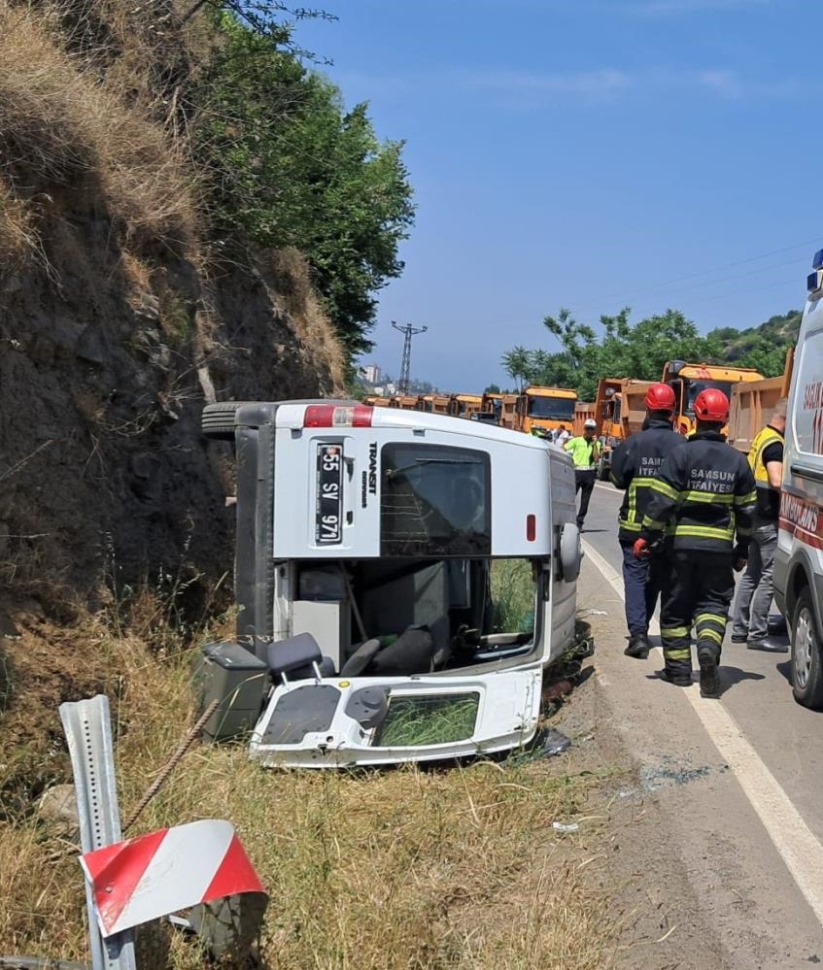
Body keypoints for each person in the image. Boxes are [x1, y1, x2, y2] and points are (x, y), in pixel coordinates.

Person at [635, 388, 756, 698]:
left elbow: (661, 501)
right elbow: (747, 511)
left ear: (696, 417)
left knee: (676, 610)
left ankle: (677, 672)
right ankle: (707, 649)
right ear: (725, 420)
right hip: (718, 549)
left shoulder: (682, 455)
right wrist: (742, 550)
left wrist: (647, 536)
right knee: (713, 605)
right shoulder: (738, 461)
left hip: (681, 547)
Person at [610, 383, 684, 659]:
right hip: (669, 529)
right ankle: (645, 629)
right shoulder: (683, 446)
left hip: (634, 526)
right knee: (656, 579)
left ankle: (638, 634)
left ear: (649, 410)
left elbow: (617, 479)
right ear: (673, 411)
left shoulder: (632, 443)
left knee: (635, 578)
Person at [730, 398, 788, 653]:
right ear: (786, 420)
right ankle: (757, 633)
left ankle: (740, 630)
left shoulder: (762, 436)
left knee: (751, 575)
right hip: (767, 519)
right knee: (767, 576)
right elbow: (776, 480)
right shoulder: (776, 444)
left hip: (752, 517)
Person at [564, 419, 601, 530]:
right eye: (587, 428)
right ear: (584, 429)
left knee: (585, 500)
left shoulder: (597, 443)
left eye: (592, 429)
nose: (589, 431)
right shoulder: (576, 441)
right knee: (570, 497)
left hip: (589, 472)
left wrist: (594, 445)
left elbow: (596, 459)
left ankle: (579, 523)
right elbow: (564, 448)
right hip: (577, 471)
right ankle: (566, 521)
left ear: (594, 431)